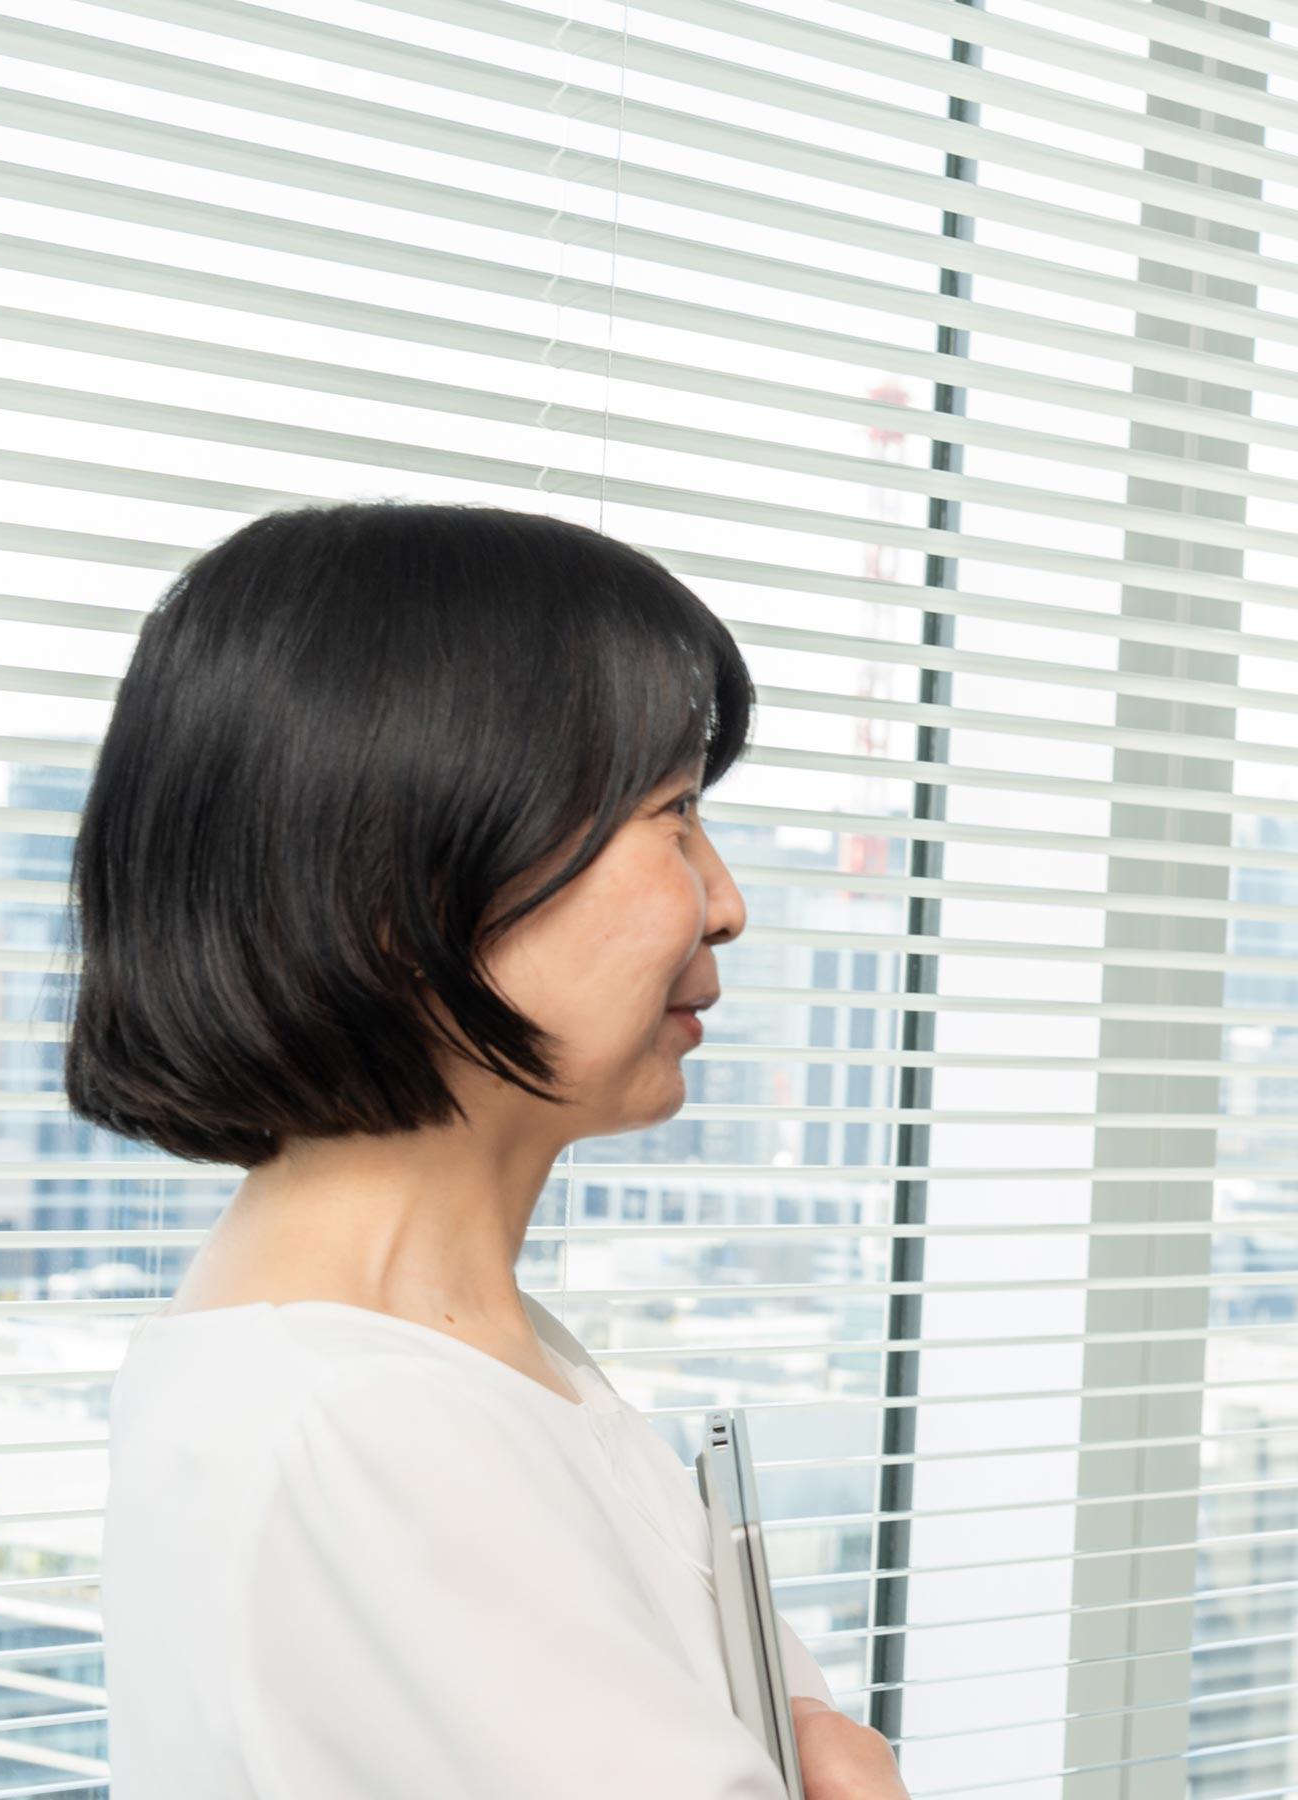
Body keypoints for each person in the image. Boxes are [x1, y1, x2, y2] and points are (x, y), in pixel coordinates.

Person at [82, 503, 907, 1799]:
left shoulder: (458, 1365)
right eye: (673, 815)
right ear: (406, 875)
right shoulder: (372, 1430)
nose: (727, 903)